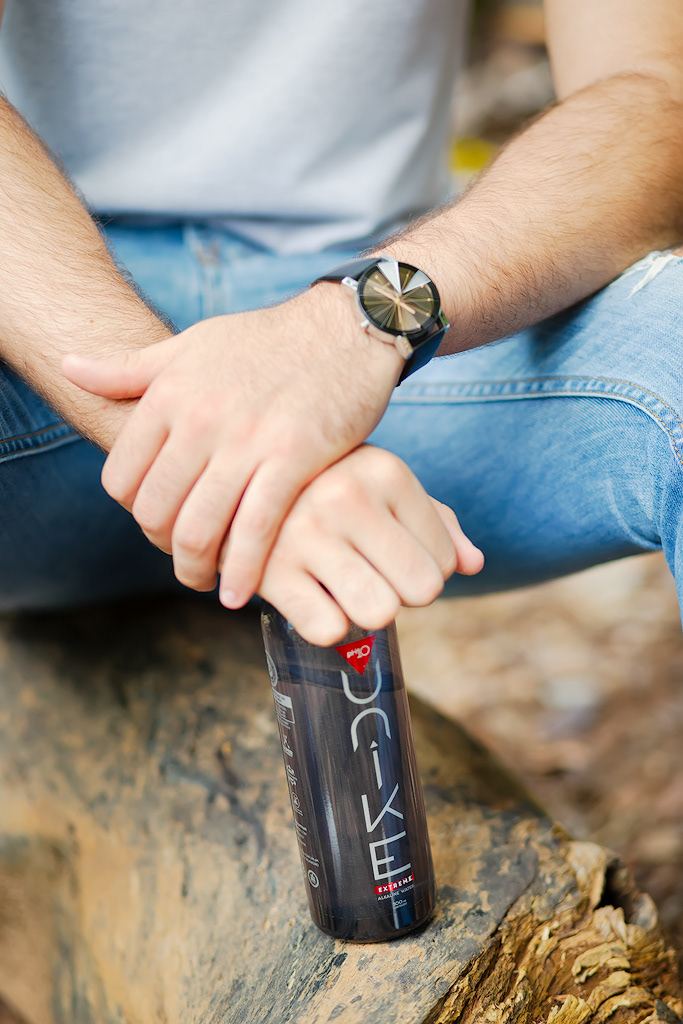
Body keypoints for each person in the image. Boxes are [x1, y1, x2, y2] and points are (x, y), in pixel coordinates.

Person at [0, 0, 681, 645]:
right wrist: (215, 447)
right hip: (52, 322)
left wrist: (352, 323)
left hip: (390, 322)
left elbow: (655, 96)